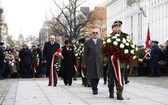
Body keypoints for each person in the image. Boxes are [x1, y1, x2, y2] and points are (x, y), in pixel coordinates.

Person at [82, 28, 103, 95]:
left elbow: (103, 52)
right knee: (92, 75)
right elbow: (85, 53)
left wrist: (105, 61)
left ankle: (95, 85)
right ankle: (94, 88)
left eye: (96, 33)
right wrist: (84, 62)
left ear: (98, 34)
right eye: (93, 32)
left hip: (99, 61)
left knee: (98, 75)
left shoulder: (101, 42)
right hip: (91, 61)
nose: (95, 34)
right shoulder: (87, 42)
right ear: (91, 34)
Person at [108, 22, 125, 100]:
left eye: (118, 27)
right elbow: (105, 49)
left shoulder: (124, 36)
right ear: (112, 28)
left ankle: (119, 92)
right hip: (111, 61)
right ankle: (111, 90)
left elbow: (128, 48)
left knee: (120, 77)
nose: (116, 28)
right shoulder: (109, 37)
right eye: (114, 27)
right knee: (111, 77)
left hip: (121, 61)